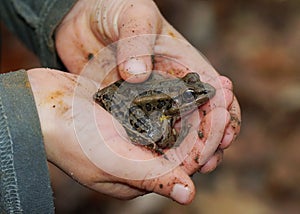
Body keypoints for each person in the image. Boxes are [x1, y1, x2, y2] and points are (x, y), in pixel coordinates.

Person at [0, 0, 241, 212]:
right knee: (159, 133)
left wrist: (74, 9)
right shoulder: (172, 108)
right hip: (132, 105)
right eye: (193, 95)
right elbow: (164, 127)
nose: (201, 96)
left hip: (122, 93)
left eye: (193, 86)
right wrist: (29, 113)